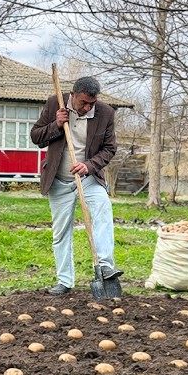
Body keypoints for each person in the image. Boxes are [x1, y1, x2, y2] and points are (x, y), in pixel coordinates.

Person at [30, 75, 122, 295]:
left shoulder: (105, 113)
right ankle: (64, 281)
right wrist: (56, 124)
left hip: (88, 179)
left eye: (92, 103)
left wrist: (89, 166)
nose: (88, 107)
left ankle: (105, 266)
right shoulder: (55, 103)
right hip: (59, 181)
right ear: (72, 96)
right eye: (83, 103)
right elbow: (36, 137)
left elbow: (109, 149)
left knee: (103, 211)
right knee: (61, 232)